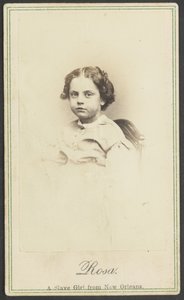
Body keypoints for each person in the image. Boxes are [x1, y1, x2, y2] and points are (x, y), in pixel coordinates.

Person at [47, 66, 143, 251]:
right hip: (66, 200)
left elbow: (121, 180)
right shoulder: (66, 130)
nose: (79, 101)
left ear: (103, 98)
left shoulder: (110, 133)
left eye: (88, 94)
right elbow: (55, 163)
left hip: (95, 205)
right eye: (74, 94)